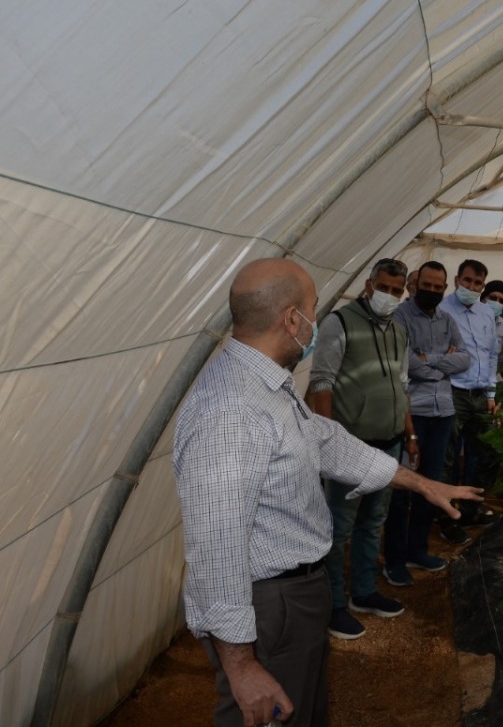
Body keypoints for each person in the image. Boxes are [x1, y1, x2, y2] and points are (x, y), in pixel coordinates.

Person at [173, 257, 481, 727]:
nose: (316, 322)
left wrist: (421, 482)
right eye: (314, 309)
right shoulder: (231, 411)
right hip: (269, 609)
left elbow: (325, 439)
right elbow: (215, 549)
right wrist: (243, 667)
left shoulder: (265, 387)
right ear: (291, 319)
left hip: (293, 598)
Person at [304, 258, 414, 641]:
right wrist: (330, 440)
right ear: (368, 284)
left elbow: (402, 384)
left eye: (396, 291)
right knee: (338, 528)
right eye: (382, 287)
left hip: (388, 444)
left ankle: (364, 592)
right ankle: (334, 604)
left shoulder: (398, 330)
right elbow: (322, 383)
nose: (388, 296)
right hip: (350, 447)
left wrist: (409, 433)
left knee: (372, 524)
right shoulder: (340, 322)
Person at [385, 261, 469, 583]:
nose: (433, 291)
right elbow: (405, 364)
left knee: (432, 484)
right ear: (416, 283)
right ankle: (394, 559)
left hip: (443, 411)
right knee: (402, 485)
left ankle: (418, 550)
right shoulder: (400, 317)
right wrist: (441, 364)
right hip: (412, 413)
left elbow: (464, 359)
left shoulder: (447, 319)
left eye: (439, 287)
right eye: (428, 285)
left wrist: (428, 360)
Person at [439, 259, 500, 529]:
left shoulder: (487, 313)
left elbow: (491, 355)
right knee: (449, 456)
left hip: (480, 394)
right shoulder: (441, 310)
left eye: (477, 283)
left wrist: (491, 394)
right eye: (467, 281)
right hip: (453, 390)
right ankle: (448, 515)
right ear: (456, 280)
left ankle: (472, 506)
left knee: (482, 452)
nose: (471, 287)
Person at [482, 280, 503, 352]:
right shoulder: (469, 319)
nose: (497, 302)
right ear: (483, 299)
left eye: (501, 301)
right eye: (493, 298)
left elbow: (502, 357)